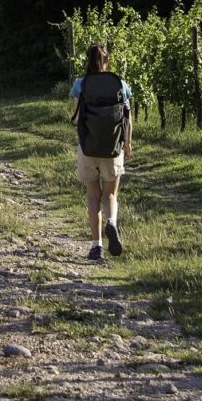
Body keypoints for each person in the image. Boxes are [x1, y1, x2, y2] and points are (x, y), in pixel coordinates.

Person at [70, 43, 133, 260]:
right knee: (110, 194)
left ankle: (96, 246)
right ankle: (112, 222)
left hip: (88, 146)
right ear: (107, 60)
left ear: (87, 60)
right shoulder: (120, 84)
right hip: (113, 147)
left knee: (93, 195)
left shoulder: (80, 84)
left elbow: (77, 117)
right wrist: (127, 143)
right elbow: (127, 118)